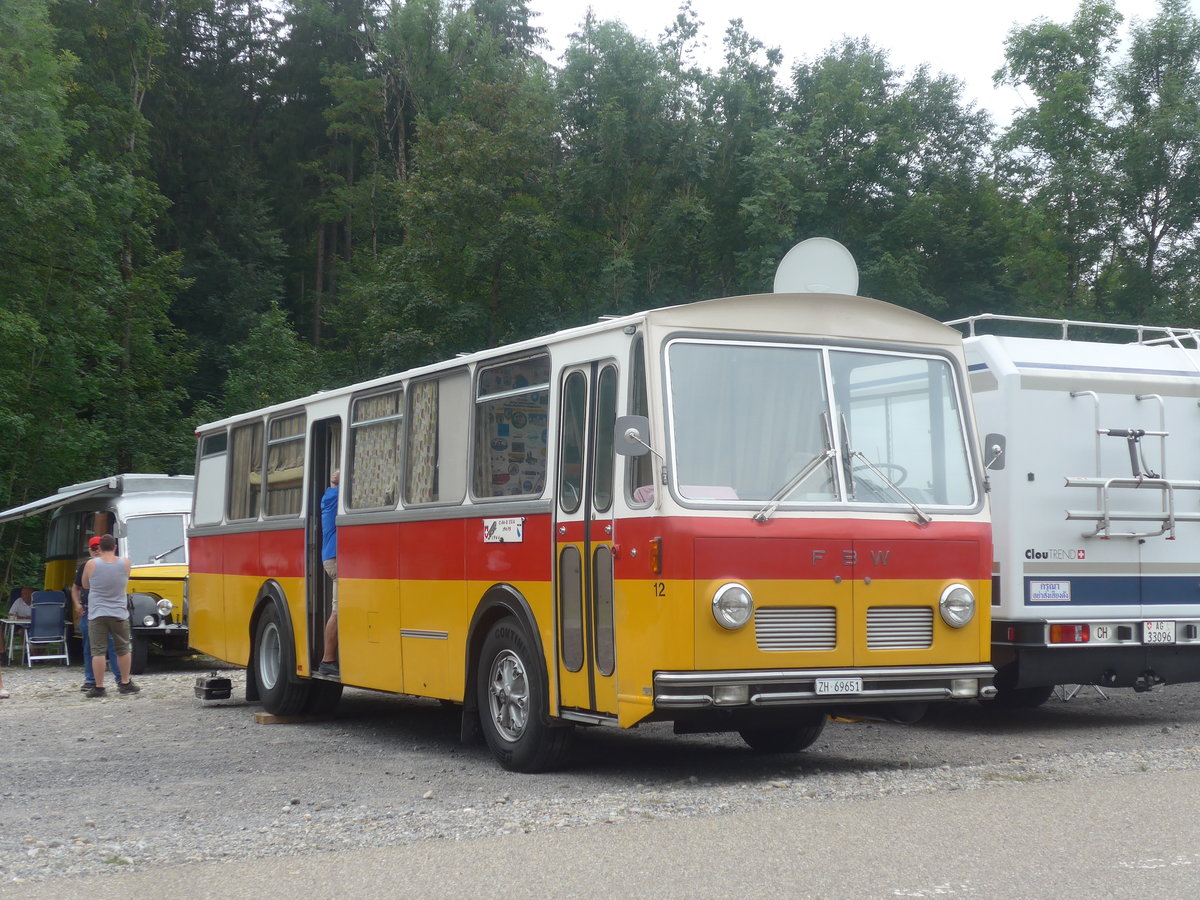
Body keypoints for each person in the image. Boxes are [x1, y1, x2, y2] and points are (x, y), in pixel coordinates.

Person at [81, 534, 139, 697]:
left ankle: (99, 687)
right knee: (123, 648)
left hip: (97, 613)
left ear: (98, 548)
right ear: (115, 547)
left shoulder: (91, 564)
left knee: (98, 651)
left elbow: (85, 584)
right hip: (119, 612)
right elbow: (126, 578)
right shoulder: (125, 563)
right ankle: (125, 683)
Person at [72, 537, 120, 692]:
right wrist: (77, 604)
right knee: (90, 646)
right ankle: (91, 680)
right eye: (93, 548)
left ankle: (121, 679)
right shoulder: (86, 566)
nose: (96, 551)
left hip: (111, 610)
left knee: (115, 645)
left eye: (98, 548)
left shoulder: (116, 564)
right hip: (89, 610)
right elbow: (77, 587)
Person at [317, 470, 340, 677]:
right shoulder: (333, 497)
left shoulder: (329, 498)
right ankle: (328, 659)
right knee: (337, 610)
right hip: (336, 559)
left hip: (332, 558)